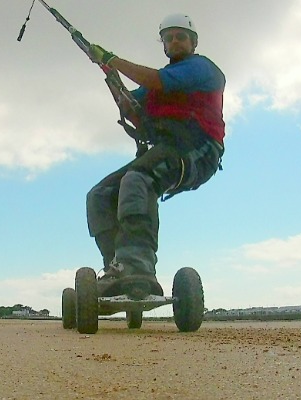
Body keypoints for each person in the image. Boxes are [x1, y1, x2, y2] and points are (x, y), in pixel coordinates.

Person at [85, 13, 225, 298]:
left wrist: (112, 60)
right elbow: (133, 109)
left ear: (193, 42)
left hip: (197, 149)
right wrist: (112, 80)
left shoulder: (201, 68)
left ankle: (137, 266)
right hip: (167, 150)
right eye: (168, 37)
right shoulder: (152, 87)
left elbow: (159, 80)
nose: (174, 41)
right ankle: (118, 268)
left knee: (138, 179)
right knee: (99, 195)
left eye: (180, 37)